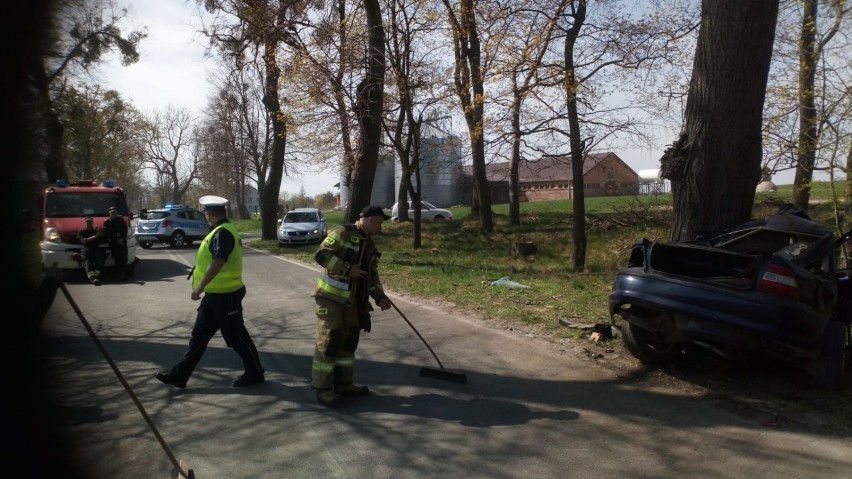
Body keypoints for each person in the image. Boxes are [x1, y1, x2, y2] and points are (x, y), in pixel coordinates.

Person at [155, 195, 265, 389]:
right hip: (214, 297)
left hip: (226, 295)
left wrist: (199, 287)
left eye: (205, 212)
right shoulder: (219, 230)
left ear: (209, 214)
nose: (205, 215)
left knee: (236, 338)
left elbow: (218, 261)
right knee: (198, 337)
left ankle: (255, 372)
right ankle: (180, 376)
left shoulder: (222, 232)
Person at [311, 205, 392, 407]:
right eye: (380, 223)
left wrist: (379, 297)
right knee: (330, 341)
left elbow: (371, 276)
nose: (380, 228)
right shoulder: (342, 234)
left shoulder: (370, 245)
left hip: (353, 302)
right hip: (330, 299)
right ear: (372, 219)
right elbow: (320, 256)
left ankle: (344, 384)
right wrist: (347, 269)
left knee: (349, 342)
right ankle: (324, 389)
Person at [78, 216, 107, 285]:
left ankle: (96, 274)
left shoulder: (96, 230)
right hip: (87, 248)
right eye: (88, 221)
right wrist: (96, 236)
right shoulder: (82, 231)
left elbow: (103, 235)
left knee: (100, 260)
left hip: (96, 248)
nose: (89, 222)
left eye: (90, 221)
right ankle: (93, 278)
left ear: (92, 222)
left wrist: (98, 231)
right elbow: (83, 241)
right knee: (88, 262)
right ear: (85, 222)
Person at [103, 205, 129, 280]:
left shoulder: (121, 220)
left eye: (115, 212)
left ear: (117, 212)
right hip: (114, 243)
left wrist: (122, 238)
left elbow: (125, 230)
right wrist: (116, 239)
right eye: (112, 212)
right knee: (117, 258)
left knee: (124, 258)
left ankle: (124, 273)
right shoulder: (107, 222)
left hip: (122, 241)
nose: (113, 213)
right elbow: (107, 233)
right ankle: (119, 275)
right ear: (109, 213)